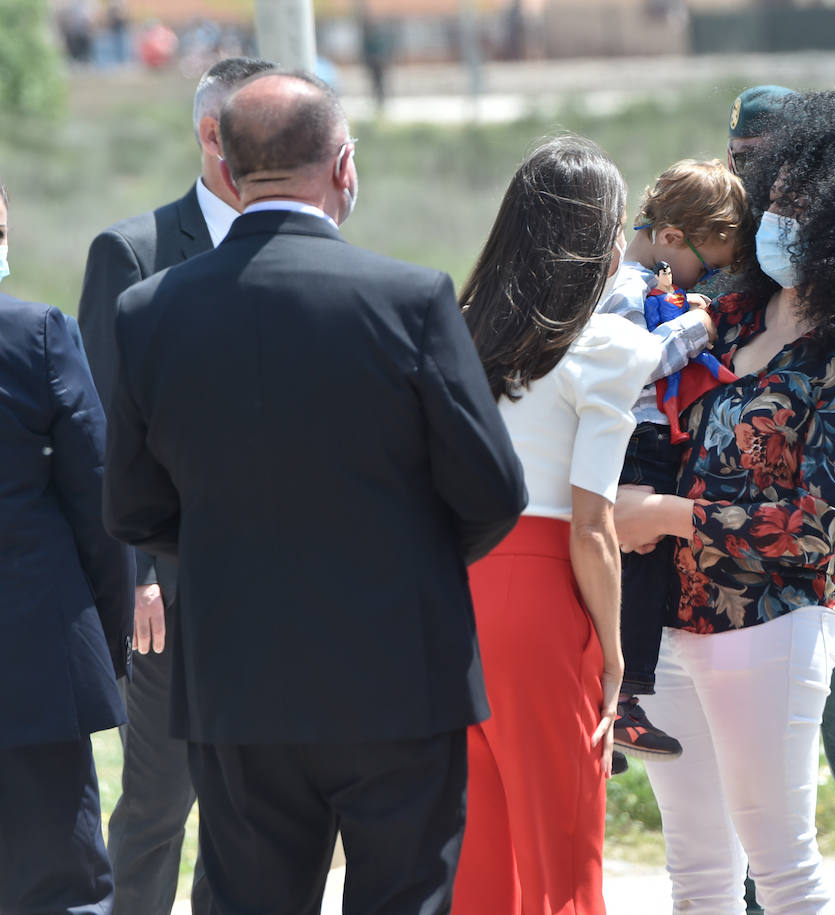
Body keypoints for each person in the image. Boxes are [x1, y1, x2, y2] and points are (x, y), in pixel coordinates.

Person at [102, 71, 527, 913]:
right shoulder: (411, 299)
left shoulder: (149, 311)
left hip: (236, 679)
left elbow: (132, 507)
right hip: (399, 674)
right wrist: (407, 562)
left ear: (229, 172)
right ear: (342, 165)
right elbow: (492, 489)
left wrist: (237, 554)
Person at [613, 89, 835, 914]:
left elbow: (817, 527)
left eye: (798, 208)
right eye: (774, 201)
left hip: (772, 620)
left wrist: (664, 515)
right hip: (671, 619)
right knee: (696, 870)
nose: (775, 220)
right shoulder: (732, 312)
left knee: (782, 867)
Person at [74, 54, 276, 915]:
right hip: (171, 586)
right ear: (211, 135)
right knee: (160, 803)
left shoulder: (299, 243)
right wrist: (141, 570)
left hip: (275, 582)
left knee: (253, 808)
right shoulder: (135, 253)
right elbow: (104, 429)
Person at [450, 135, 659, 915]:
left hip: (455, 595)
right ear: (603, 242)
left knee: (480, 862)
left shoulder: (457, 328)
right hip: (541, 598)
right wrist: (613, 654)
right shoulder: (608, 347)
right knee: (562, 861)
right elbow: (592, 525)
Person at [0, 173, 133, 915]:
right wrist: (104, 642)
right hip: (31, 663)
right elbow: (99, 497)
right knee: (60, 888)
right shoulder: (36, 335)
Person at [597, 158, 747, 765]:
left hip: (647, 440)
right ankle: (622, 700)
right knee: (640, 563)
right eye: (705, 266)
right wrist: (696, 327)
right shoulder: (627, 289)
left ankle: (613, 701)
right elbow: (631, 365)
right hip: (638, 442)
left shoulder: (640, 284)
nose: (708, 279)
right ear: (669, 237)